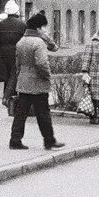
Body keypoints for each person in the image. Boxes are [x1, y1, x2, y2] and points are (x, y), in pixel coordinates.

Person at [9, 12, 64, 150]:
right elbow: (41, 63)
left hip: (23, 82)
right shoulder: (39, 43)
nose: (45, 30)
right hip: (38, 83)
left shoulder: (21, 42)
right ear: (39, 28)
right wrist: (47, 76)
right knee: (43, 113)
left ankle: (15, 140)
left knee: (21, 113)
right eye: (44, 27)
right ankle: (49, 140)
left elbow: (17, 64)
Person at [0, 1, 25, 102]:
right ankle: (10, 96)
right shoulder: (22, 25)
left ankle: (7, 95)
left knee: (7, 75)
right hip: (16, 53)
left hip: (3, 54)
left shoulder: (0, 25)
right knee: (14, 74)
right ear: (17, 12)